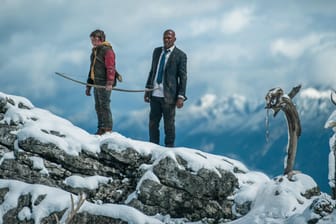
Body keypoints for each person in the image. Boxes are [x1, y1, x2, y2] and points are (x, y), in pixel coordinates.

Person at [144, 29, 187, 147]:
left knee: (169, 125)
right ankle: (153, 147)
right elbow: (152, 71)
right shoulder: (157, 51)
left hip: (169, 96)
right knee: (153, 123)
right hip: (154, 94)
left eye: (169, 38)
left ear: (174, 39)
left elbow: (183, 77)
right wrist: (147, 90)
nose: (166, 40)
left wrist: (181, 96)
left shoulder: (180, 55)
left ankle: (169, 148)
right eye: (165, 38)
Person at [85, 29, 115, 135]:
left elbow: (110, 67)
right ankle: (101, 128)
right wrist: (89, 85)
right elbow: (92, 69)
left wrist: (110, 82)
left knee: (104, 105)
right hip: (96, 82)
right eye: (91, 39)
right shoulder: (94, 51)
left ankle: (107, 128)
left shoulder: (107, 50)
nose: (92, 41)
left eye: (94, 39)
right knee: (98, 105)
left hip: (104, 83)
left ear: (101, 39)